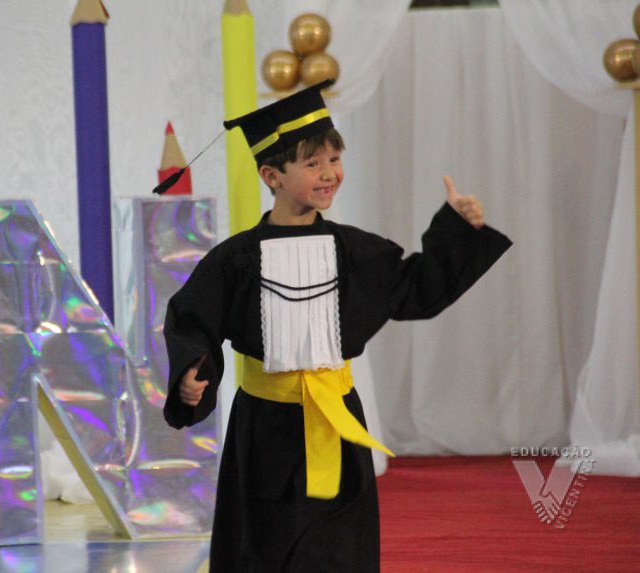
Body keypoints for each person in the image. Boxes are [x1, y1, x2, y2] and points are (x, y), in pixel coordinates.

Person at [162, 79, 511, 572]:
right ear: (271, 175)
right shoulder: (235, 259)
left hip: (337, 421)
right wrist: (193, 373)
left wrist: (456, 229)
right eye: (312, 164)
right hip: (264, 430)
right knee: (266, 546)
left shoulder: (355, 252)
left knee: (337, 549)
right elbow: (193, 319)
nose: (329, 173)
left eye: (334, 159)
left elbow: (417, 289)